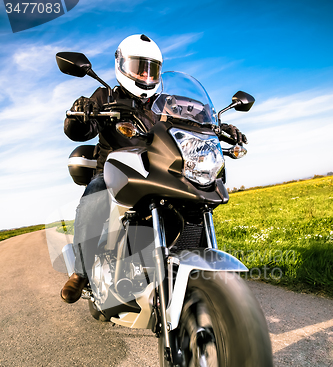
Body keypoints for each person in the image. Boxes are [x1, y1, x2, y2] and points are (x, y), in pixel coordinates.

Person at [60, 34, 247, 304]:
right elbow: (79, 130)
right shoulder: (105, 96)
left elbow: (197, 119)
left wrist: (219, 127)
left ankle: (193, 270)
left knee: (196, 196)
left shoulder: (169, 102)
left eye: (151, 69)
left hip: (158, 169)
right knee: (95, 191)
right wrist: (80, 112)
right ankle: (80, 272)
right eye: (139, 67)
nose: (145, 75)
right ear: (122, 66)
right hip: (117, 172)